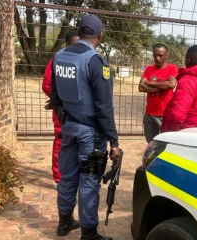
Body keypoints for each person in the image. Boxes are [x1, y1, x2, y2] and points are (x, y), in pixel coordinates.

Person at [50, 14, 121, 240]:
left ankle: (65, 222)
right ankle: (89, 233)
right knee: (89, 181)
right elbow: (104, 107)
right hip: (90, 134)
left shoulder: (60, 56)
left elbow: (54, 94)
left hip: (68, 128)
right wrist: (114, 142)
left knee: (68, 176)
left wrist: (63, 115)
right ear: (99, 36)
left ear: (79, 32)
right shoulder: (96, 61)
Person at [42, 31, 79, 189]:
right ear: (67, 44)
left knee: (79, 142)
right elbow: (47, 86)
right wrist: (60, 101)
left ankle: (73, 173)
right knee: (61, 142)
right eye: (74, 44)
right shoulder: (56, 61)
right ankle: (58, 177)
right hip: (62, 111)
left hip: (80, 112)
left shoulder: (84, 61)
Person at [138, 42, 178, 143]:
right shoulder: (149, 69)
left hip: (165, 114)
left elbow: (171, 85)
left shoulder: (172, 68)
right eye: (155, 55)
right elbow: (141, 87)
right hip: (150, 114)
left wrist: (150, 83)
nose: (158, 58)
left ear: (166, 55)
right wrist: (163, 86)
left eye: (161, 55)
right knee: (151, 143)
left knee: (166, 143)